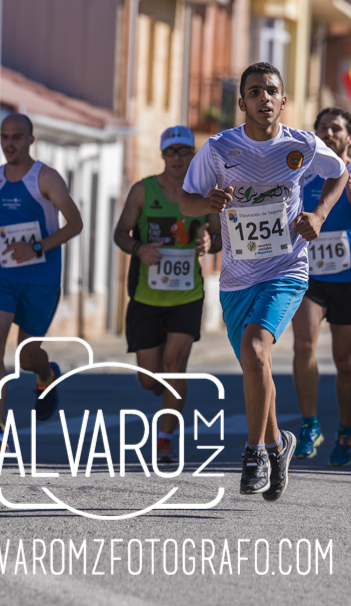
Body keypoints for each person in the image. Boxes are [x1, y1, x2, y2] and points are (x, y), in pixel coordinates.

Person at [180, 62, 347, 501]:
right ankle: (278, 442)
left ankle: (254, 452)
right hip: (237, 279)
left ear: (283, 100)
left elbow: (340, 172)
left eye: (272, 90)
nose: (264, 98)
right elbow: (186, 198)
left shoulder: (302, 145)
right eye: (255, 91)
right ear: (242, 102)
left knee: (257, 349)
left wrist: (319, 214)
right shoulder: (218, 149)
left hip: (287, 269)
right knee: (257, 367)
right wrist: (207, 203)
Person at [0, 114, 83, 460]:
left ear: (31, 140)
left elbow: (75, 223)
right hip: (3, 275)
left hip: (41, 280)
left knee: (27, 356)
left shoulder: (45, 178)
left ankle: (46, 374)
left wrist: (38, 246)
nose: (9, 143)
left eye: (16, 137)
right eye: (4, 137)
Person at [113, 125, 221, 464]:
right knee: (149, 379)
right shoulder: (143, 191)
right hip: (147, 295)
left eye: (184, 151)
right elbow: (120, 233)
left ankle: (164, 439)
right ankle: (163, 392)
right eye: (171, 151)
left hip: (186, 296)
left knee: (175, 367)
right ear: (163, 155)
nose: (177, 157)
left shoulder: (206, 194)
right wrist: (139, 247)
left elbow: (218, 238)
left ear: (193, 155)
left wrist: (209, 243)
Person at [290, 107, 351, 466]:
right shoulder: (302, 172)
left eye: (335, 128)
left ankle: (345, 430)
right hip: (309, 275)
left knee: (345, 362)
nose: (328, 133)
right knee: (303, 345)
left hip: (348, 278)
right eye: (322, 128)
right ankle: (309, 424)